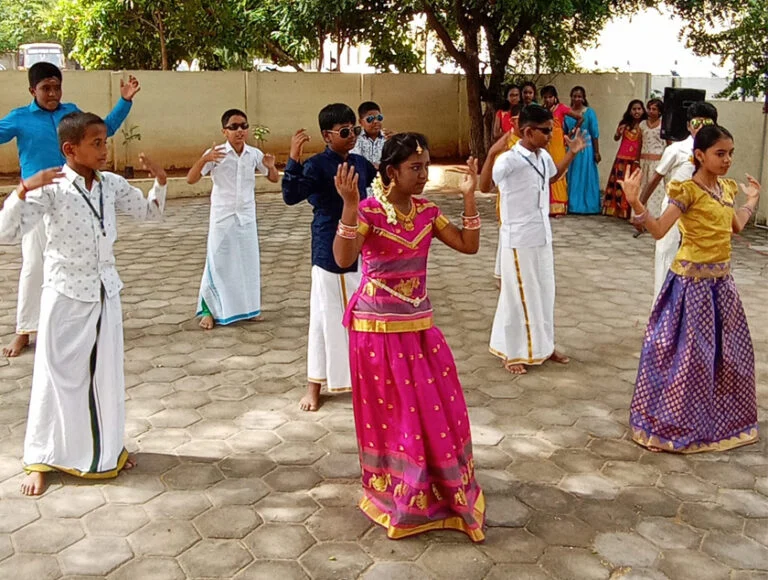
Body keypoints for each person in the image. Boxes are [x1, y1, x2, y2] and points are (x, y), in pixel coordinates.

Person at [0, 112, 167, 495]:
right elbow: (7, 232)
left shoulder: (112, 185)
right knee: (56, 376)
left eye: (105, 141)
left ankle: (108, 452)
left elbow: (150, 214)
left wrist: (159, 181)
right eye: (96, 143)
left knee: (105, 375)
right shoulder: (51, 187)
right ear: (69, 149)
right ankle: (41, 459)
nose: (104, 149)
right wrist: (24, 189)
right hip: (64, 296)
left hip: (105, 292)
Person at [332, 132, 485, 542]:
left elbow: (469, 246)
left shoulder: (428, 211)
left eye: (425, 166)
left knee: (434, 410)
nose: (422, 175)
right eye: (414, 168)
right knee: (397, 416)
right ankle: (399, 490)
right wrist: (348, 207)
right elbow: (343, 259)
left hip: (419, 329)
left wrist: (470, 197)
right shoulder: (367, 211)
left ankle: (437, 486)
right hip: (376, 332)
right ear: (390, 172)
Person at [621, 124, 759, 453]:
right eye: (720, 153)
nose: (727, 160)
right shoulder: (687, 191)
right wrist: (635, 202)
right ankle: (672, 424)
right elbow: (657, 230)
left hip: (721, 286)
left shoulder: (726, 189)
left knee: (727, 358)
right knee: (687, 359)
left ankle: (715, 423)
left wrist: (752, 199)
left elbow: (735, 225)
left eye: (730, 154)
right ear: (699, 155)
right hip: (690, 286)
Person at [0, 63, 141, 357]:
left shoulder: (72, 113)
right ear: (32, 90)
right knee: (33, 265)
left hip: (76, 196)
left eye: (56, 87)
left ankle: (88, 322)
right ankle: (24, 331)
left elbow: (105, 128)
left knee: (86, 260)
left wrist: (125, 100)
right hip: (40, 198)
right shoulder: (20, 118)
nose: (52, 93)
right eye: (45, 88)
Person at [282, 103, 377, 411]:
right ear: (327, 135)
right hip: (328, 249)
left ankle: (364, 378)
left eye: (356, 131)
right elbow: (290, 195)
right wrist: (293, 158)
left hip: (361, 246)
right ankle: (316, 385)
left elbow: (382, 186)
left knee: (363, 317)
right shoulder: (317, 166)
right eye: (345, 132)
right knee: (327, 319)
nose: (352, 137)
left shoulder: (362, 163)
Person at [482, 104, 586, 374]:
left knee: (544, 292)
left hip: (541, 235)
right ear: (528, 131)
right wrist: (492, 152)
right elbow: (484, 186)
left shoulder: (542, 156)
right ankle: (512, 352)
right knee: (517, 294)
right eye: (545, 131)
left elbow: (552, 177)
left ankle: (544, 346)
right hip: (518, 238)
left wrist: (572, 153)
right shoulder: (508, 159)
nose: (550, 135)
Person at [187, 108, 279, 330]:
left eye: (244, 126)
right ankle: (209, 310)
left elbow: (274, 179)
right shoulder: (216, 153)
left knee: (247, 264)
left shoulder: (254, 154)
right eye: (234, 127)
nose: (240, 131)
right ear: (224, 131)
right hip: (222, 216)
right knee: (217, 263)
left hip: (245, 217)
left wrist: (271, 166)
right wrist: (204, 160)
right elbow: (191, 179)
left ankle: (248, 309)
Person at [637, 102, 718, 299]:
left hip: (701, 212)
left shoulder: (716, 152)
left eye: (707, 123)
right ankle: (661, 306)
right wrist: (639, 209)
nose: (701, 128)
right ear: (689, 125)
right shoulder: (677, 149)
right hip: (674, 208)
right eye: (697, 123)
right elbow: (655, 178)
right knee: (667, 253)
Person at [539, 85, 582, 216]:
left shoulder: (561, 108)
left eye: (550, 97)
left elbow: (580, 118)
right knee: (545, 170)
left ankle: (559, 206)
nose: (548, 100)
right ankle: (546, 205)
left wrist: (572, 131)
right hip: (545, 143)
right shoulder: (541, 111)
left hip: (558, 142)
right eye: (545, 97)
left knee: (558, 171)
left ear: (555, 97)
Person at [602, 99, 645, 219]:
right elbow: (616, 138)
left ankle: (630, 210)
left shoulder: (644, 125)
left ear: (643, 110)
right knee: (619, 184)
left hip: (635, 159)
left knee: (632, 185)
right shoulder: (624, 124)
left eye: (639, 109)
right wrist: (618, 132)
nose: (636, 111)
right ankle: (618, 210)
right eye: (634, 109)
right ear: (630, 111)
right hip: (622, 158)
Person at [564, 86, 601, 214]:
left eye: (580, 96)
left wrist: (596, 152)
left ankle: (589, 205)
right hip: (572, 146)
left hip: (586, 147)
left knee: (587, 175)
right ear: (571, 97)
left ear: (584, 98)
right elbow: (564, 131)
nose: (577, 98)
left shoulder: (589, 112)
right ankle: (573, 205)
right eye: (574, 96)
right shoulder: (567, 113)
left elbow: (595, 133)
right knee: (573, 175)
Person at [637, 98, 665, 219]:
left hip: (658, 160)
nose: (651, 111)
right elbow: (639, 142)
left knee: (656, 187)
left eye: (654, 109)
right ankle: (640, 212)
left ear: (659, 111)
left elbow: (669, 143)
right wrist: (637, 159)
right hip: (644, 160)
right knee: (643, 185)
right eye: (649, 108)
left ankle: (655, 215)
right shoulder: (642, 124)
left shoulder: (663, 125)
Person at [350, 101, 388, 168]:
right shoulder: (355, 139)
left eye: (379, 118)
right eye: (370, 119)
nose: (376, 121)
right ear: (360, 122)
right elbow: (355, 162)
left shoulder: (388, 138)